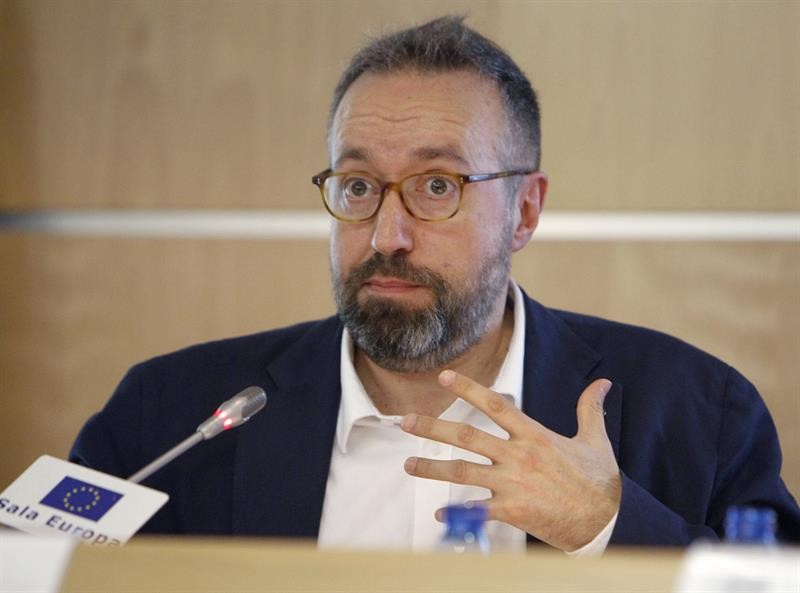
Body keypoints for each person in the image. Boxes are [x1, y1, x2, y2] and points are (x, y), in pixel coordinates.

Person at [70, 16, 799, 553]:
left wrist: (607, 524)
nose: (387, 235)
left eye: (438, 185)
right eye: (359, 185)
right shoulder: (168, 415)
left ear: (525, 210)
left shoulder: (698, 411)